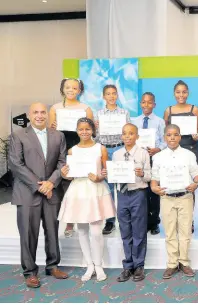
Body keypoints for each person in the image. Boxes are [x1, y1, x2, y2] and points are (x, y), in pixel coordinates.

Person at [9, 103, 69, 288]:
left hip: (52, 191)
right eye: (36, 112)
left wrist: (51, 182)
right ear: (29, 115)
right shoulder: (18, 135)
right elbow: (16, 164)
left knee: (52, 230)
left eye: (43, 112)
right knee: (28, 234)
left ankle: (52, 266)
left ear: (48, 115)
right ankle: (30, 272)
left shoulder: (58, 135)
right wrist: (40, 186)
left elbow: (62, 162)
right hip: (27, 193)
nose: (40, 115)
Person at [58, 118, 115, 282]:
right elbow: (68, 175)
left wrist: (100, 177)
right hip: (78, 191)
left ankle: (99, 265)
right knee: (82, 230)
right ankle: (89, 265)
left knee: (96, 231)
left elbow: (106, 171)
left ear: (92, 130)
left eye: (87, 129)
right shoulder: (72, 151)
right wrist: (64, 174)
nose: (84, 132)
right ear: (77, 130)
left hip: (95, 190)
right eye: (81, 129)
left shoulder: (100, 148)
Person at [151, 124, 198, 279]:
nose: (172, 138)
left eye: (175, 135)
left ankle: (184, 262)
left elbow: (197, 174)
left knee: (185, 231)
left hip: (185, 196)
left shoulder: (189, 154)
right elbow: (154, 178)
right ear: (165, 137)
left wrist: (196, 183)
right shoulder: (158, 157)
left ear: (180, 136)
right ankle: (172, 264)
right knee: (170, 231)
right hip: (166, 198)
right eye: (169, 135)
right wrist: (154, 187)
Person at [49, 78, 93, 238]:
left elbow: (90, 132)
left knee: (78, 186)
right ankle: (64, 220)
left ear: (79, 90)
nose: (71, 90)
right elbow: (51, 133)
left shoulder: (85, 109)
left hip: (78, 150)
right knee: (61, 185)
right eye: (68, 87)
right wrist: (51, 127)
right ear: (62, 89)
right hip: (59, 149)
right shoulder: (55, 108)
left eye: (74, 88)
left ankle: (77, 221)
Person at [108, 124, 151, 282]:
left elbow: (149, 176)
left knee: (139, 231)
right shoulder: (117, 154)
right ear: (121, 136)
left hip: (138, 193)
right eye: (124, 133)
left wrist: (142, 173)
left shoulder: (143, 153)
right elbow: (114, 177)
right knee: (125, 231)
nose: (127, 136)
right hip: (122, 194)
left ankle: (139, 265)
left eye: (131, 133)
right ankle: (128, 265)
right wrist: (110, 173)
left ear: (137, 136)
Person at [163, 80, 198, 233]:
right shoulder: (168, 110)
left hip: (191, 149)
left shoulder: (194, 109)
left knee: (190, 186)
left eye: (184, 92)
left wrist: (197, 135)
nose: (181, 95)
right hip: (173, 151)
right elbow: (166, 133)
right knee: (173, 182)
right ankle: (174, 219)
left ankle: (189, 220)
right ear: (174, 93)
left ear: (188, 92)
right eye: (178, 92)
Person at [94, 84, 131, 235]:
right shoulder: (99, 114)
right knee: (108, 187)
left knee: (123, 184)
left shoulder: (124, 113)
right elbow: (95, 137)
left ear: (117, 95)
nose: (111, 96)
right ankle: (110, 221)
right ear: (103, 96)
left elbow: (128, 133)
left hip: (120, 148)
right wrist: (96, 128)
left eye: (114, 93)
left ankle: (125, 219)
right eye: (108, 94)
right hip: (104, 150)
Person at [132, 92, 166, 235]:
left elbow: (165, 140)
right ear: (140, 104)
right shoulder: (134, 121)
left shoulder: (159, 121)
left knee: (154, 191)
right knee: (142, 191)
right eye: (144, 102)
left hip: (154, 157)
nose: (146, 105)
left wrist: (158, 149)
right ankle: (143, 221)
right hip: (139, 158)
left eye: (149, 102)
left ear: (154, 104)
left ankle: (154, 223)